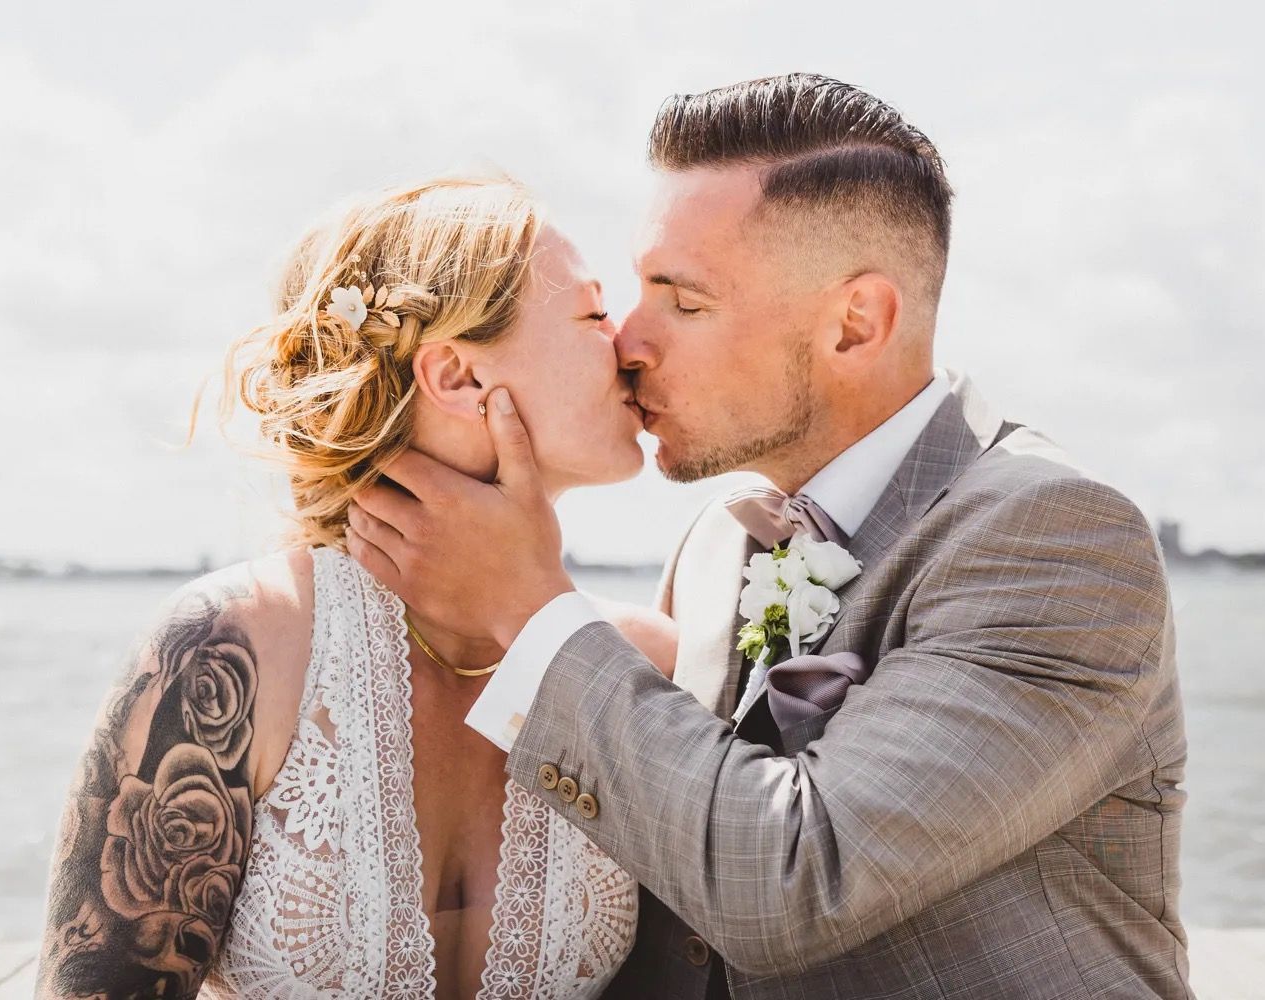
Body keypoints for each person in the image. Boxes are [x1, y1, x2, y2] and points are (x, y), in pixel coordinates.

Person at [345, 74, 1193, 998]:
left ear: (854, 325)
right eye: (638, 290)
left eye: (685, 301)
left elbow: (793, 879)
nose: (628, 341)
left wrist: (528, 609)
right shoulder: (716, 542)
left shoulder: (1054, 541)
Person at [36, 176, 672, 999]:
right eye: (593, 314)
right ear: (457, 376)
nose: (629, 344)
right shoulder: (235, 646)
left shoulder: (649, 661)